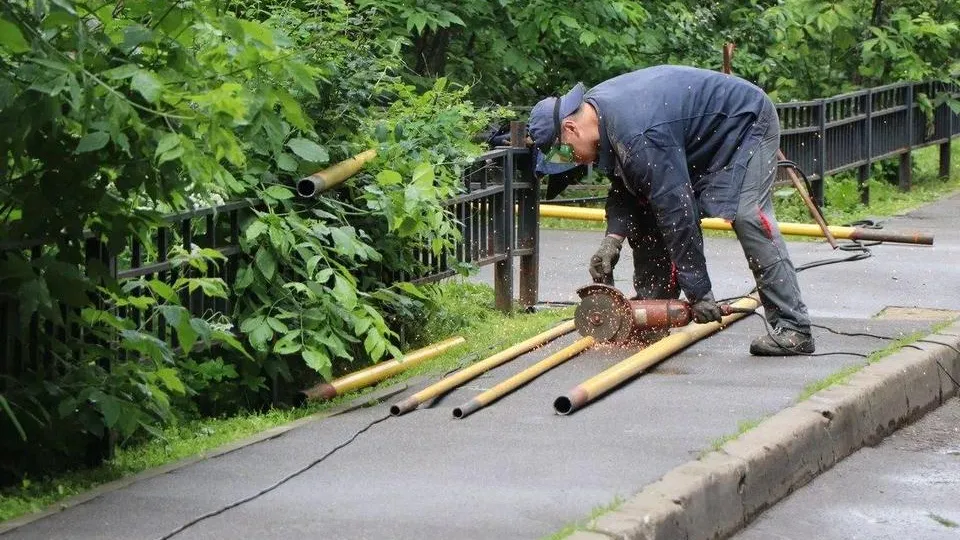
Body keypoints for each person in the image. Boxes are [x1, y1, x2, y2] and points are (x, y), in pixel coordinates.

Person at [527, 65, 815, 356]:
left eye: (565, 152)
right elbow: (627, 188)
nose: (573, 160)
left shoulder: (638, 135)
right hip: (699, 137)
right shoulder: (601, 116)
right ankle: (653, 313)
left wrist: (700, 293)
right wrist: (612, 240)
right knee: (647, 207)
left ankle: (794, 327)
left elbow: (678, 211)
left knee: (748, 215)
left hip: (745, 124)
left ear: (571, 128)